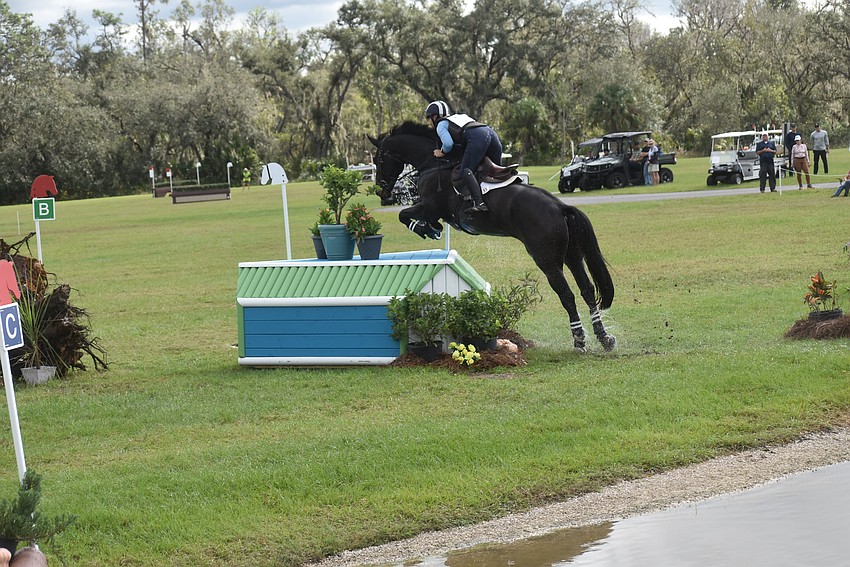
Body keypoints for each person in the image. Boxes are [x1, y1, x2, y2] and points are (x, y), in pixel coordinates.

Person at [425, 100, 503, 213]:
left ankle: (480, 203)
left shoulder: (441, 124)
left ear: (434, 117)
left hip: (477, 138)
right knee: (494, 171)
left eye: (428, 118)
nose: (429, 123)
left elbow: (448, 143)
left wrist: (441, 152)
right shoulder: (457, 118)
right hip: (491, 133)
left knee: (465, 170)